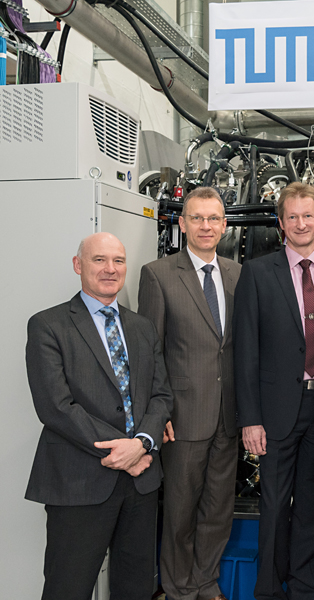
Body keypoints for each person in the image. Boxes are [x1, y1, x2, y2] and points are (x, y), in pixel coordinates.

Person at [25, 232, 173, 600]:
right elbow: (56, 407)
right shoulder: (48, 325)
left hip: (140, 483)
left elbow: (161, 395)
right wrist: (121, 452)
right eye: (99, 260)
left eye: (118, 261)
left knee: (135, 588)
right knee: (67, 588)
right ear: (78, 265)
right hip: (80, 481)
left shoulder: (142, 327)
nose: (110, 269)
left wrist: (141, 445)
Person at [234, 182, 314, 600]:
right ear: (281, 223)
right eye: (292, 217)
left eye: (308, 215)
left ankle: (303, 588)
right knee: (273, 506)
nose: (301, 223)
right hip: (275, 411)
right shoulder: (257, 272)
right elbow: (245, 349)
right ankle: (268, 591)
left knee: (311, 506)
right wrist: (250, 418)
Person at [138, 187, 241, 600]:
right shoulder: (158, 274)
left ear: (225, 226)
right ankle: (178, 588)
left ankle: (205, 582)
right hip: (181, 415)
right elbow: (151, 352)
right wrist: (156, 413)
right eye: (196, 218)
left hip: (227, 414)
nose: (205, 226)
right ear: (182, 224)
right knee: (180, 511)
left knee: (218, 509)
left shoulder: (237, 274)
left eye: (213, 219)